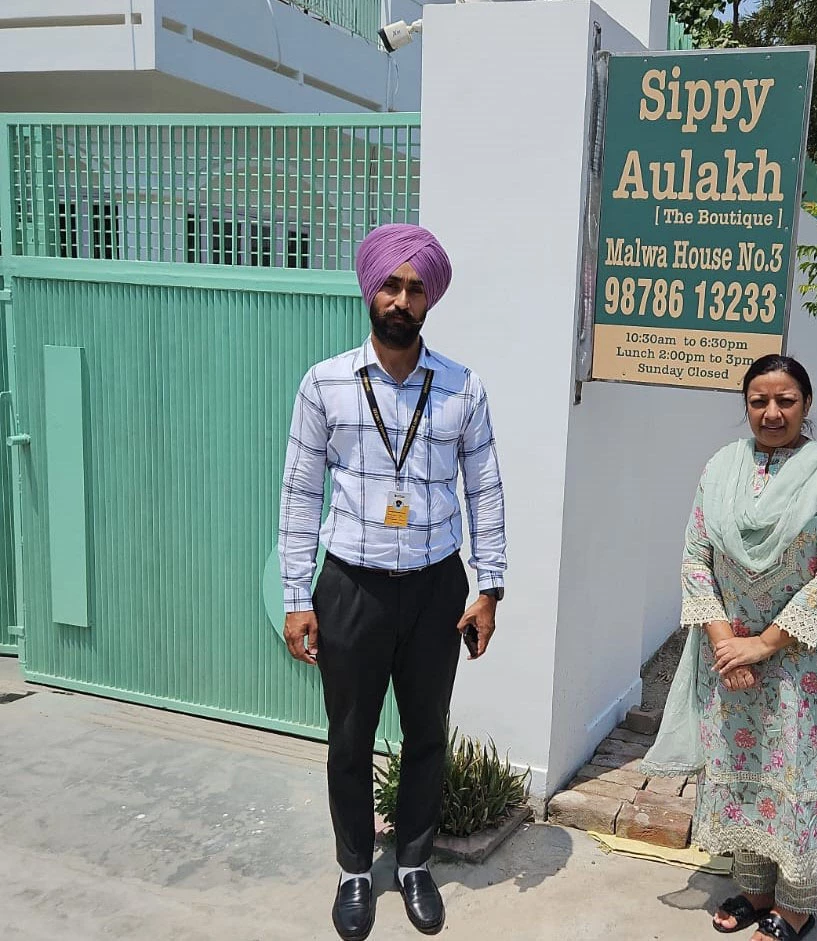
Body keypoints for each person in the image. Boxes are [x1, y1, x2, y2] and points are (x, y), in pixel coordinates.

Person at [278, 223, 507, 941]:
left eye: (415, 287)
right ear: (370, 289)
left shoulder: (463, 387)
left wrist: (489, 587)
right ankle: (353, 868)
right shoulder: (324, 384)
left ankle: (412, 863)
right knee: (348, 734)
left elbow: (487, 491)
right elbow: (298, 493)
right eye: (391, 284)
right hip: (350, 585)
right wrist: (295, 595)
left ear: (428, 299)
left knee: (426, 732)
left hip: (438, 585)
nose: (402, 299)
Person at [642, 355, 817, 941]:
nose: (772, 413)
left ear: (806, 404)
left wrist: (764, 646)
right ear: (745, 404)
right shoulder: (722, 466)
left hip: (802, 662)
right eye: (758, 401)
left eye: (786, 401)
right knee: (738, 770)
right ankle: (753, 888)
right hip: (730, 657)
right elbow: (696, 557)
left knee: (798, 775)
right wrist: (726, 641)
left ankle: (796, 904)